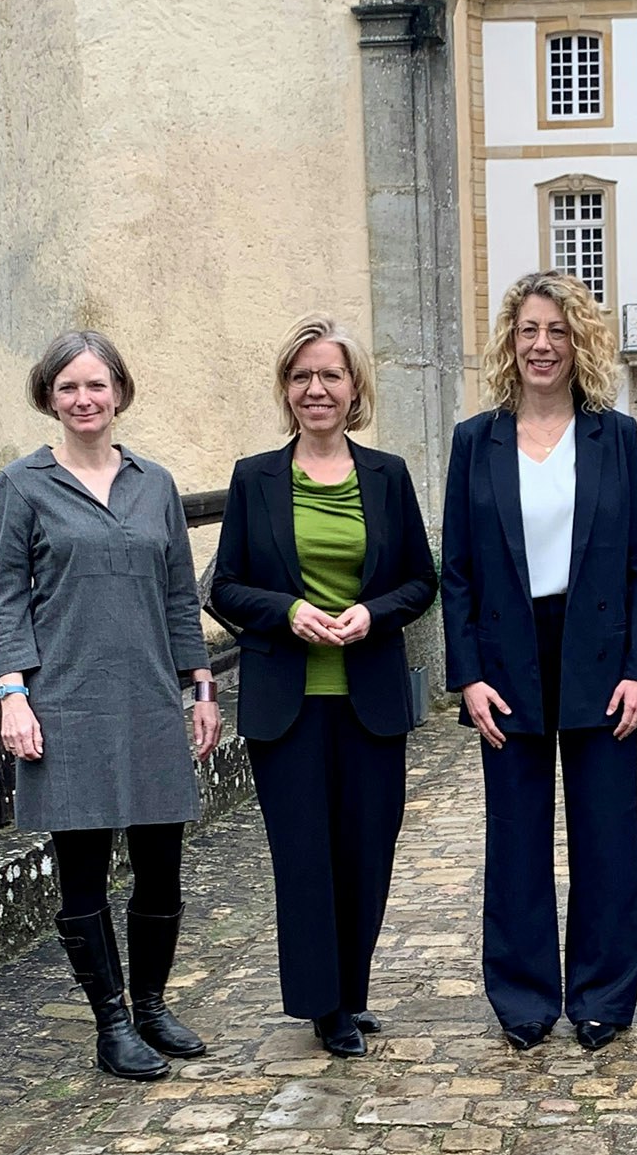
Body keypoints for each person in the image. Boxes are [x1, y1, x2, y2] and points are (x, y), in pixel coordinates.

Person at [0, 330, 222, 1082]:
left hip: (152, 697)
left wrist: (202, 686)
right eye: (68, 388)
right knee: (82, 872)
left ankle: (152, 1006)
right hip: (67, 703)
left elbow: (181, 594)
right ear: (48, 397)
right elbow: (4, 601)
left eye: (96, 386)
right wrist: (14, 693)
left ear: (118, 391)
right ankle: (112, 1021)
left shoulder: (154, 483)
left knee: (161, 868)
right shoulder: (22, 486)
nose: (84, 400)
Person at [441, 270, 637, 1053]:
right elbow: (456, 568)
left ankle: (603, 993)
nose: (542, 345)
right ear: (511, 340)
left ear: (579, 343)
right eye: (530, 330)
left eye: (558, 331)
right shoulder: (476, 438)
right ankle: (525, 996)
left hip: (598, 649)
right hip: (507, 654)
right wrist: (466, 675)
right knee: (517, 833)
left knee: (607, 831)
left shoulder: (614, 433)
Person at [211, 313, 437, 1058]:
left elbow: (421, 581)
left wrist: (370, 613)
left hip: (370, 697)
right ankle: (323, 1004)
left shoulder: (388, 474)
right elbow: (227, 587)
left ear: (353, 389)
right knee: (306, 856)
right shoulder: (256, 478)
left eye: (330, 375)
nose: (316, 388)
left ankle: (354, 987)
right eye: (302, 376)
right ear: (287, 388)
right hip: (289, 702)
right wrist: (292, 611)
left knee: (367, 851)